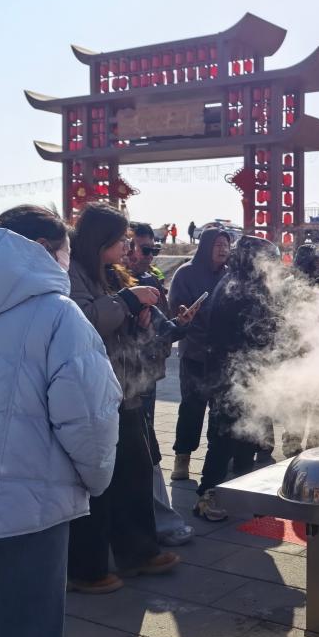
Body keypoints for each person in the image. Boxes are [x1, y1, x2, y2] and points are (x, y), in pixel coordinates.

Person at [0, 206, 121, 637]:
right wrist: (96, 479)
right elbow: (88, 417)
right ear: (44, 249)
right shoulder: (56, 314)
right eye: (65, 250)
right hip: (29, 512)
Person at [67, 202, 180, 592]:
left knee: (135, 471)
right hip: (91, 391)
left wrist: (138, 319)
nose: (126, 249)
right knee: (96, 482)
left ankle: (139, 552)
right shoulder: (72, 271)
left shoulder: (113, 272)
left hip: (124, 388)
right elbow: (84, 321)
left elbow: (116, 322)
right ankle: (87, 568)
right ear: (100, 240)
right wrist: (130, 301)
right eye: (120, 241)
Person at [193, 236, 281, 521]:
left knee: (247, 436)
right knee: (224, 436)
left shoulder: (241, 281)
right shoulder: (240, 286)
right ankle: (207, 495)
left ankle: (241, 490)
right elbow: (258, 332)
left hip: (245, 373)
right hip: (232, 373)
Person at [126, 223, 195, 547]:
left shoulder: (150, 280)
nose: (148, 255)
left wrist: (180, 324)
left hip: (146, 378)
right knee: (142, 453)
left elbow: (161, 330)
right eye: (143, 249)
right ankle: (154, 525)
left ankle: (156, 522)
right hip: (124, 381)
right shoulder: (111, 284)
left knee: (147, 450)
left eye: (154, 249)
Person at [168, 228, 232, 480]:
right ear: (206, 246)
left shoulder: (229, 275)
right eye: (218, 244)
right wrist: (186, 313)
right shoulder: (186, 273)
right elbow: (175, 307)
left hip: (221, 354)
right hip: (194, 351)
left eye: (226, 244)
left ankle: (215, 460)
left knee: (220, 410)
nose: (223, 249)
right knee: (191, 408)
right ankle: (182, 457)